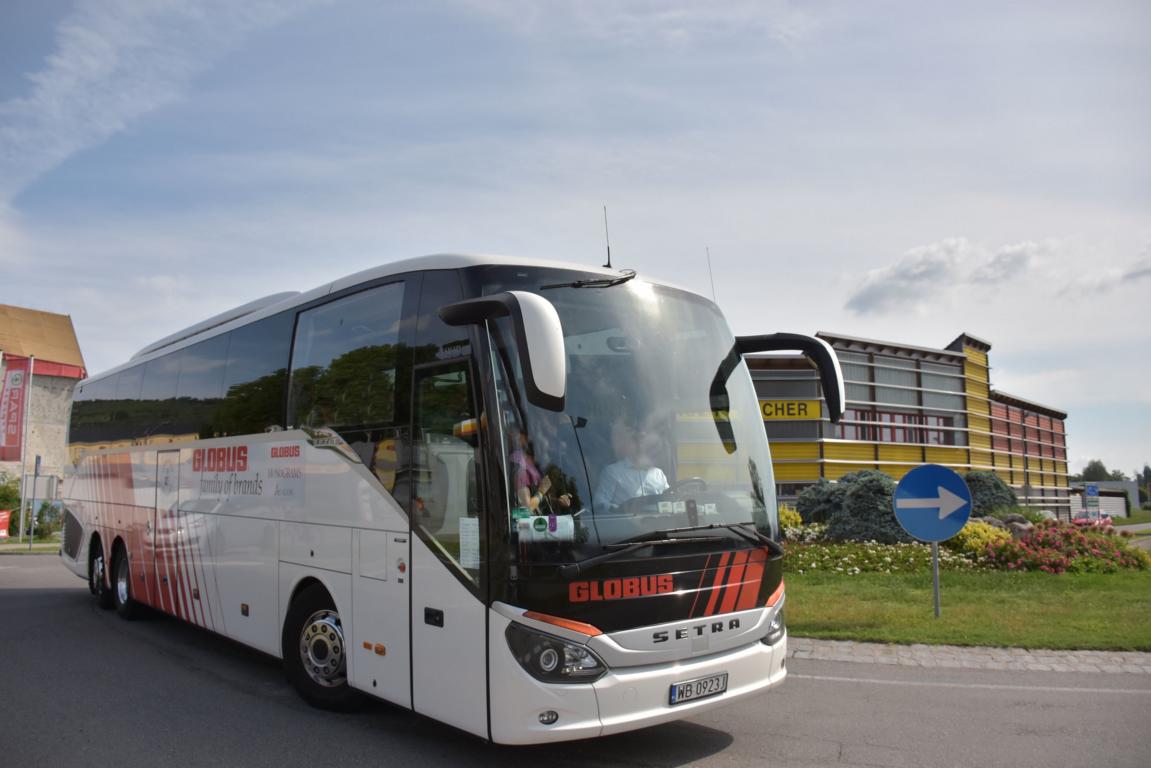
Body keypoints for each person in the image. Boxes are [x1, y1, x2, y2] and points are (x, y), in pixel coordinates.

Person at [593, 416, 669, 514]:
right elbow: (598, 503)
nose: (641, 445)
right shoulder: (612, 472)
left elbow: (670, 498)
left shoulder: (658, 474)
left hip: (660, 527)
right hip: (626, 527)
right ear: (629, 443)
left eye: (644, 441)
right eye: (637, 440)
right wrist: (621, 510)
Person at [509, 427, 571, 515]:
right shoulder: (519, 465)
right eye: (545, 451)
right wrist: (541, 492)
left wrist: (558, 501)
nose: (549, 456)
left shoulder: (533, 468)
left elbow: (533, 499)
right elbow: (523, 512)